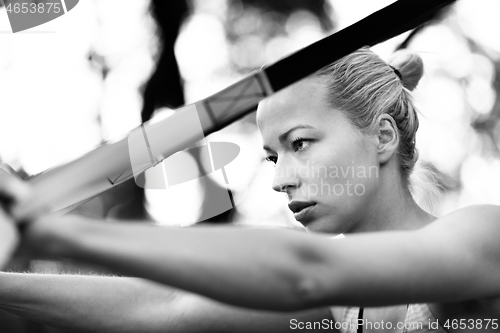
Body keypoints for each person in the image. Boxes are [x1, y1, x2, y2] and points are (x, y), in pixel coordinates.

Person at [1, 47, 500, 333]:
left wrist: (51, 234)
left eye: (300, 143)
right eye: (272, 156)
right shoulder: (341, 311)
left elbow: (307, 271)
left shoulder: (483, 237)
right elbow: (168, 308)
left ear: (383, 137)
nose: (281, 179)